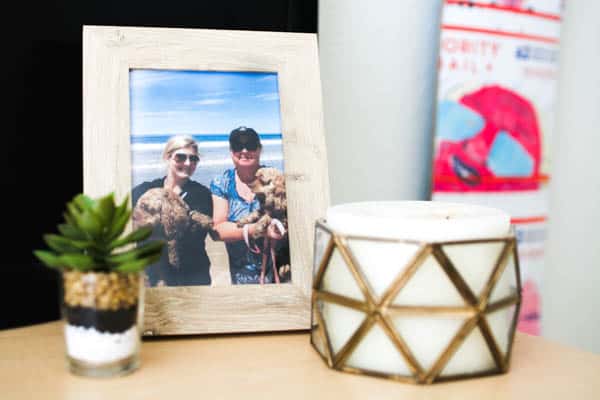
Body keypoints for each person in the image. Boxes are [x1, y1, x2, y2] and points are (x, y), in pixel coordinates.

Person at [132, 135, 213, 286]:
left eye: (193, 159)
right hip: (152, 275)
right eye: (180, 157)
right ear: (167, 157)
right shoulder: (144, 190)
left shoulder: (202, 194)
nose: (188, 163)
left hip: (193, 275)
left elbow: (195, 236)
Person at [211, 127, 284, 284]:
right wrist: (257, 230)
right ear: (231, 151)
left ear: (259, 149)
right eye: (238, 146)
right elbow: (218, 230)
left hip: (278, 269)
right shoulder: (222, 182)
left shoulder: (275, 178)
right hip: (241, 275)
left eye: (250, 145)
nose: (244, 150)